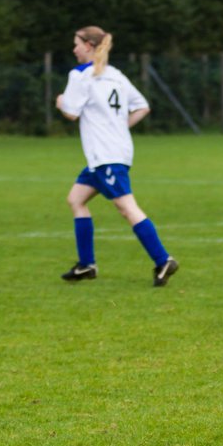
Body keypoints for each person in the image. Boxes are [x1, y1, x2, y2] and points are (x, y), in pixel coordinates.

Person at [56, 26, 177, 286]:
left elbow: (71, 112)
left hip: (105, 155)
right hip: (113, 153)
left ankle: (163, 259)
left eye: (76, 43)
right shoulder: (116, 75)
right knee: (76, 199)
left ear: (88, 45)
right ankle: (86, 265)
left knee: (127, 207)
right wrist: (119, 127)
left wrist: (60, 102)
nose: (74, 49)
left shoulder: (80, 75)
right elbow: (142, 107)